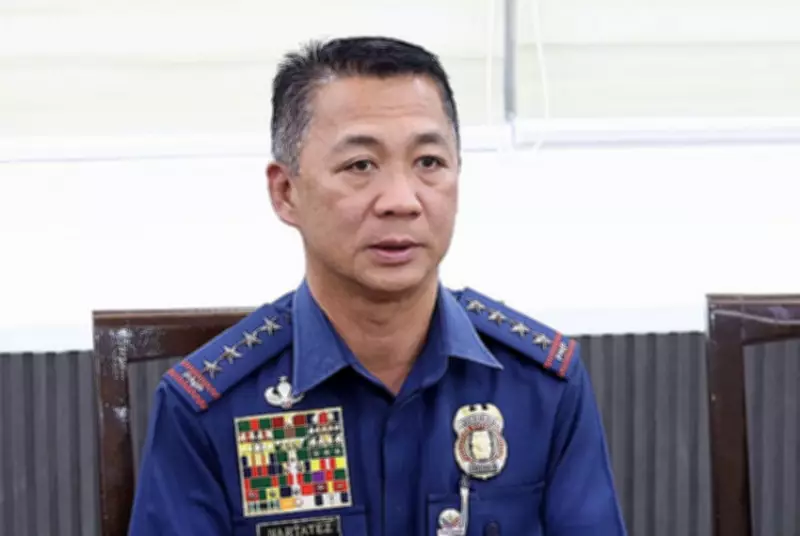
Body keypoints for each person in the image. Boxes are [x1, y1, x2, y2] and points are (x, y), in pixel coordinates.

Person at [128, 36, 627, 536]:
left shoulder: (540, 387)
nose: (401, 200)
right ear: (286, 192)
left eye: (428, 162)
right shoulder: (208, 409)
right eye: (360, 166)